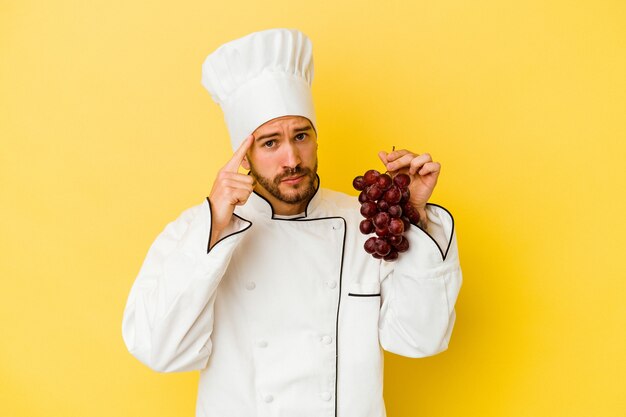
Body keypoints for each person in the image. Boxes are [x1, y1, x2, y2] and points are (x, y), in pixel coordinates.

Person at [122, 28, 462, 417]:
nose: (292, 159)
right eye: (270, 143)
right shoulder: (201, 231)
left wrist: (413, 217)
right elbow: (159, 351)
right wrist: (213, 232)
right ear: (243, 155)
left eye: (301, 136)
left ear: (316, 139)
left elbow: (421, 339)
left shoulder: (367, 224)